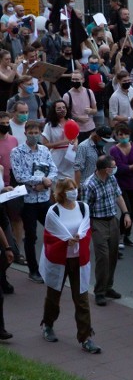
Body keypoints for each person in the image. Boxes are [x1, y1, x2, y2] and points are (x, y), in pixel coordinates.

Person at [38, 179, 100, 353]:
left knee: (81, 298)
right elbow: (51, 235)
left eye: (75, 188)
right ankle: (48, 324)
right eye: (70, 189)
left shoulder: (83, 207)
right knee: (53, 295)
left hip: (78, 259)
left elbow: (86, 228)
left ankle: (85, 337)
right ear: (62, 192)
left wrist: (79, 237)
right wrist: (66, 240)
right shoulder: (54, 211)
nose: (74, 191)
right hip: (59, 260)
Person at [82, 155, 133, 306]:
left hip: (112, 220)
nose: (115, 168)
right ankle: (99, 291)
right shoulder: (89, 184)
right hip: (98, 222)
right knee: (102, 257)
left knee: (113, 255)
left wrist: (125, 213)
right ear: (105, 169)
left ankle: (108, 287)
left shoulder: (111, 178)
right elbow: (85, 208)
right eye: (113, 166)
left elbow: (118, 196)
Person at [11, 120, 58, 283]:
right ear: (25, 134)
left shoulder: (45, 150)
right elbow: (19, 176)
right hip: (28, 200)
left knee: (55, 229)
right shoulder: (17, 152)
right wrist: (39, 181)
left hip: (44, 198)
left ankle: (54, 265)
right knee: (31, 236)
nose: (33, 135)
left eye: (36, 133)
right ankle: (33, 269)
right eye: (30, 133)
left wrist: (47, 182)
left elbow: (53, 169)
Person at [110, 123, 133, 249]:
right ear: (117, 136)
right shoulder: (114, 150)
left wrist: (130, 168)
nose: (123, 136)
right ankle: (120, 235)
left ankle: (127, 236)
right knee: (126, 210)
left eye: (125, 134)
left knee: (132, 209)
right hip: (119, 184)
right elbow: (118, 169)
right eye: (120, 134)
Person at [41, 100, 75, 180]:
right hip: (56, 157)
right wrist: (63, 142)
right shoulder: (49, 125)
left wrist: (75, 144)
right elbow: (45, 144)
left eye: (64, 108)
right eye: (59, 108)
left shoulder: (72, 122)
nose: (62, 110)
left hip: (70, 156)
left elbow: (75, 138)